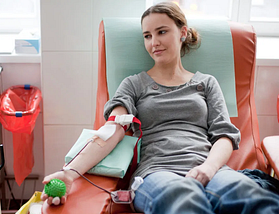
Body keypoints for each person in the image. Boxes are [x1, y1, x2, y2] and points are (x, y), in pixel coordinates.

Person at [41, 2, 279, 213]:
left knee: (247, 194)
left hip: (211, 167)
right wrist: (70, 172)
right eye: (147, 35)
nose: (153, 42)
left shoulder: (206, 83)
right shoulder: (134, 84)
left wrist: (209, 167)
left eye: (162, 32)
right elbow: (111, 131)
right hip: (156, 173)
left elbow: (225, 135)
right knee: (182, 199)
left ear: (182, 33)